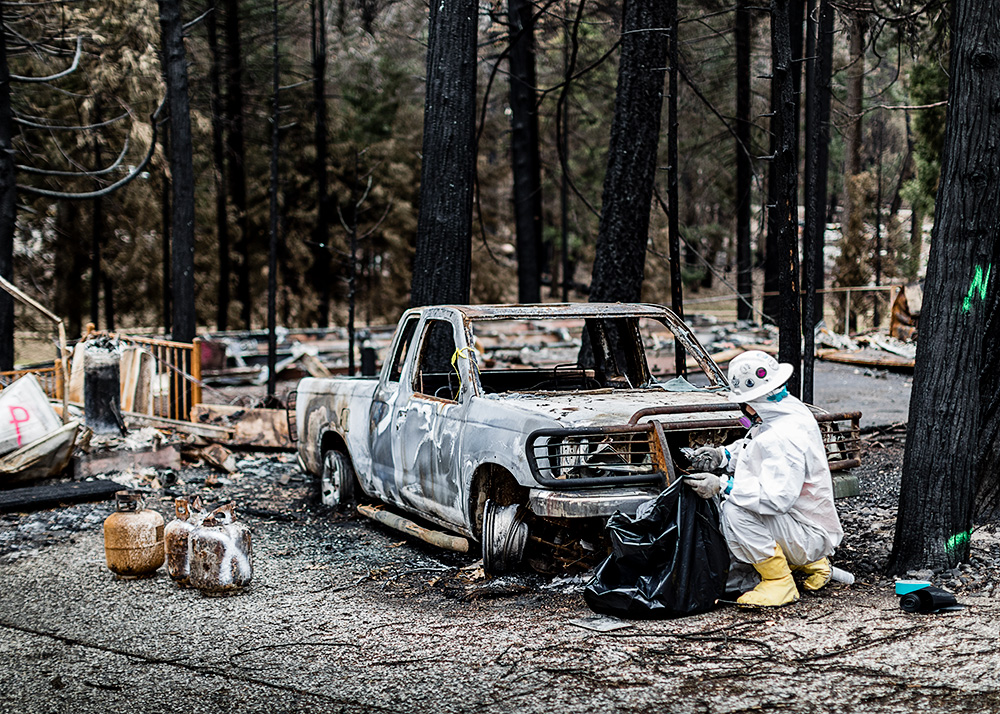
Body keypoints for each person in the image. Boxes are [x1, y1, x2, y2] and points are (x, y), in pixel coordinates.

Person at [684, 350, 844, 607]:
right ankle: (814, 564)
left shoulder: (782, 436)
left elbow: (775, 499)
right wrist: (723, 455)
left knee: (736, 511)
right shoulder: (787, 412)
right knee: (740, 506)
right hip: (807, 523)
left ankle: (779, 581)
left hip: (808, 533)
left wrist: (723, 485)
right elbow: (756, 446)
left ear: (751, 403)